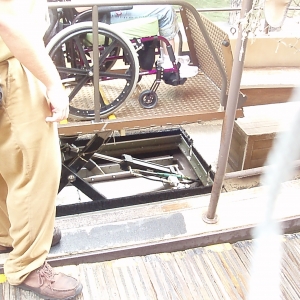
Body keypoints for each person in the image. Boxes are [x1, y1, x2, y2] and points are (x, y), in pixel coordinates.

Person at [0, 0, 83, 299]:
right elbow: (7, 21)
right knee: (35, 167)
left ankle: (10, 236)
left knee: (6, 162)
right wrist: (53, 83)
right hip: (10, 65)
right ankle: (28, 265)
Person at [75, 5, 198, 78]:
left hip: (105, 12)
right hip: (106, 14)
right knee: (166, 10)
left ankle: (165, 58)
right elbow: (79, 6)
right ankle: (169, 62)